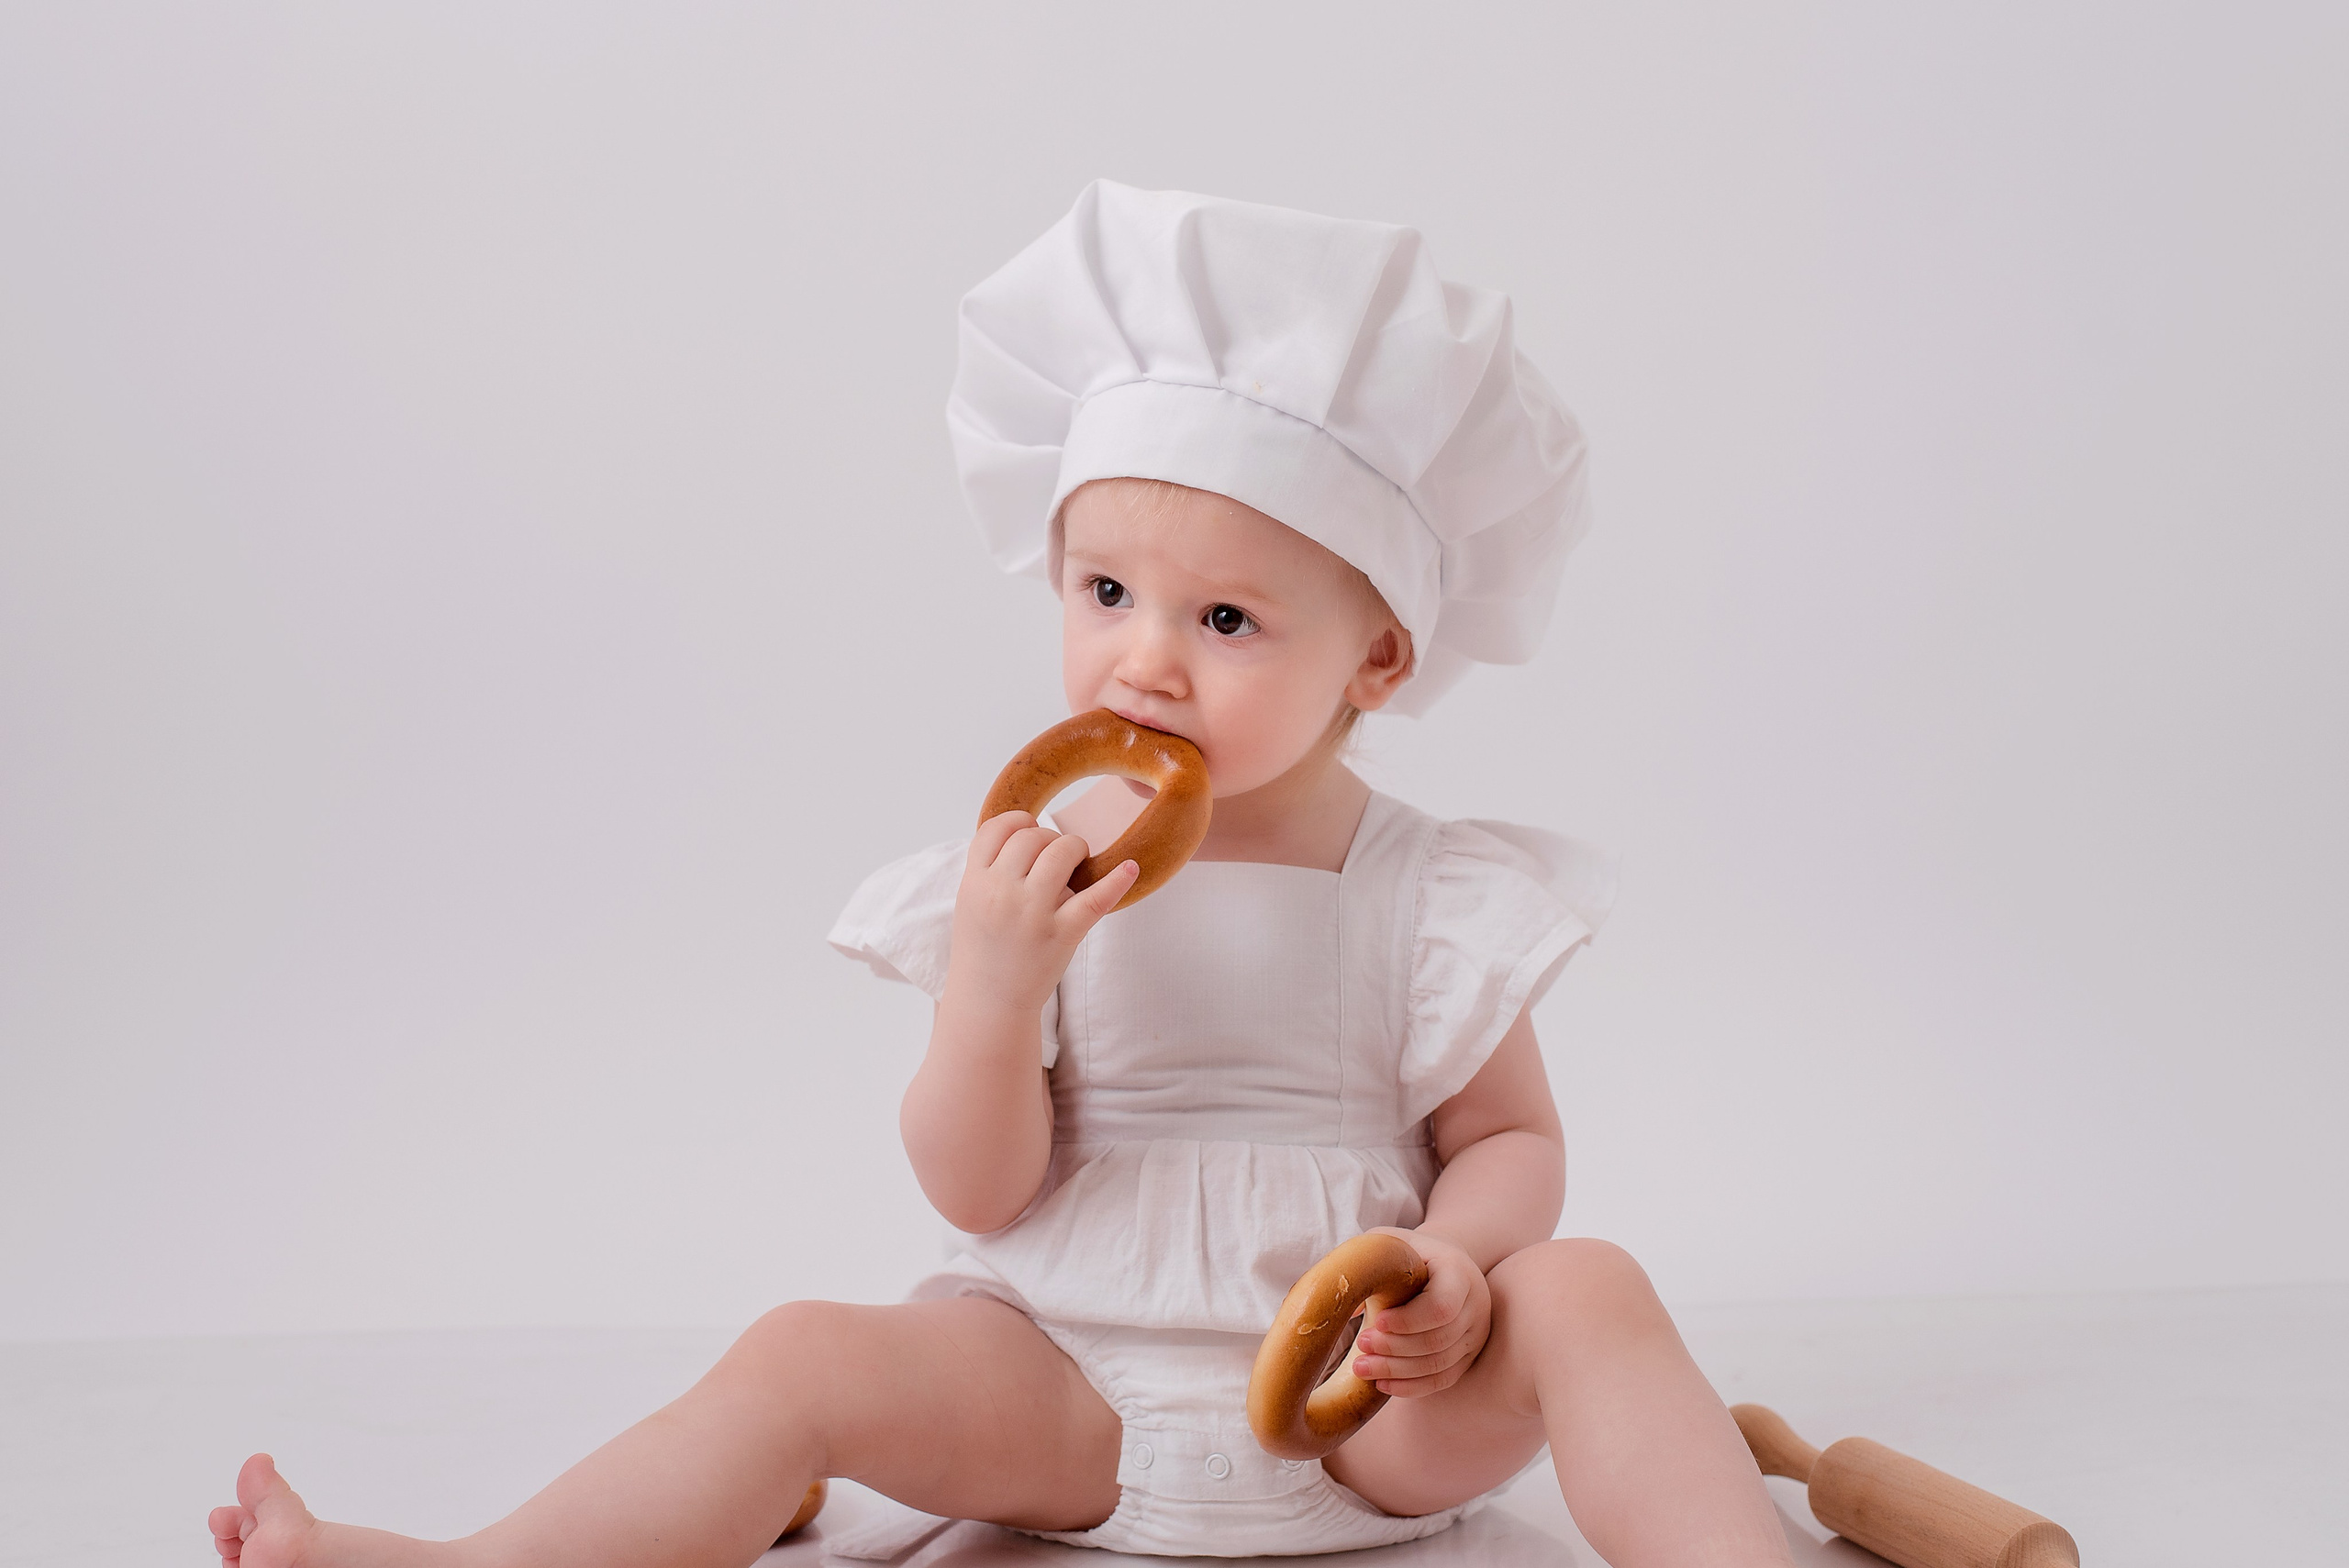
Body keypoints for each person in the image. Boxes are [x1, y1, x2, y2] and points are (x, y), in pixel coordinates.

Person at [210, 182, 1795, 1567]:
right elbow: (978, 1189)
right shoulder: (1032, 877)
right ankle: (480, 1560)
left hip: (1363, 1414)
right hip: (1063, 1390)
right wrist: (991, 986)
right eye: (1105, 592)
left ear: (1377, 655)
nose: (1145, 660)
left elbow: (1506, 1133)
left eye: (1224, 620)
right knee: (798, 1353)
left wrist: (1457, 1259)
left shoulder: (1425, 892)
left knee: (1589, 1287)